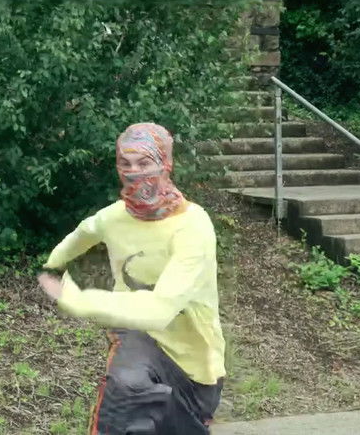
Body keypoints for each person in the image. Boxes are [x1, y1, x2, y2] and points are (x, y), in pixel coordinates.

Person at [37, 123, 226, 434]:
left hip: (194, 366)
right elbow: (83, 233)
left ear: (166, 164)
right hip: (137, 338)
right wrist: (52, 264)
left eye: (144, 162)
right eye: (125, 163)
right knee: (124, 388)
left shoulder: (193, 227)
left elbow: (160, 311)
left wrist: (79, 301)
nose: (133, 172)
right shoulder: (113, 217)